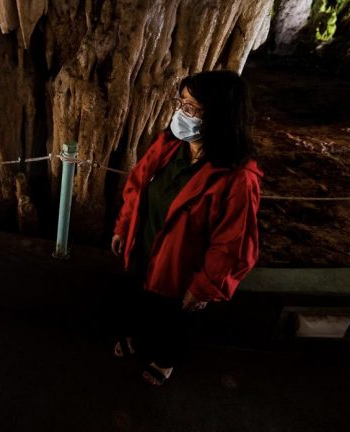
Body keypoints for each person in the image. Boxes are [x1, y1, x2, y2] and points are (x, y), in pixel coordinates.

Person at [111, 70, 262, 386]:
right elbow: (138, 185)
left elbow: (232, 244)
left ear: (219, 116)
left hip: (181, 269)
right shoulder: (170, 146)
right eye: (181, 103)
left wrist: (205, 285)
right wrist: (124, 227)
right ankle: (139, 339)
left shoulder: (236, 179)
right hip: (145, 248)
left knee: (173, 318)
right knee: (141, 302)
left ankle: (164, 360)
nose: (182, 114)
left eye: (193, 108)